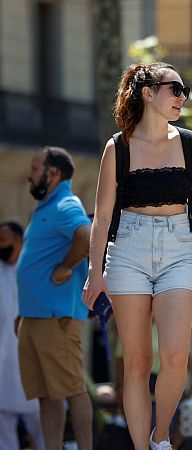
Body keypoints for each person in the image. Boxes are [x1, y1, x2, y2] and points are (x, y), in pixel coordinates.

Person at [82, 62, 192, 450]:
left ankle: (161, 437)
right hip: (128, 248)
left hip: (178, 248)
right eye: (174, 89)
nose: (182, 97)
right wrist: (95, 272)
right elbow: (103, 216)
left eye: (184, 90)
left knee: (176, 358)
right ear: (147, 93)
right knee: (138, 364)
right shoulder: (119, 146)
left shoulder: (191, 143)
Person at [16, 147, 93, 450]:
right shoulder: (46, 207)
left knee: (74, 390)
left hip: (56, 317)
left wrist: (66, 266)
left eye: (35, 169)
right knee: (48, 394)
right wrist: (23, 313)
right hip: (35, 316)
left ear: (53, 174)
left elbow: (86, 235)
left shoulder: (65, 203)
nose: (29, 175)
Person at [0, 222, 45, 450]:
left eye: (4, 240)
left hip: (31, 358)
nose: (1, 246)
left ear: (18, 241)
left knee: (41, 423)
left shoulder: (33, 268)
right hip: (2, 362)